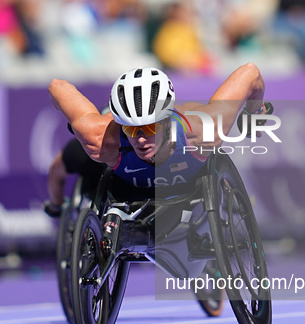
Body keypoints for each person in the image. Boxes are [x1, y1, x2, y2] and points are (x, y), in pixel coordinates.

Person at [44, 63, 266, 215]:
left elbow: (251, 73)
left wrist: (252, 116)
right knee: (74, 159)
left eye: (150, 128)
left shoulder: (204, 131)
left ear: (166, 121)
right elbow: (56, 86)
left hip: (191, 179)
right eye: (131, 130)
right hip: (125, 187)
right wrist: (57, 206)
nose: (140, 140)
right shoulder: (101, 139)